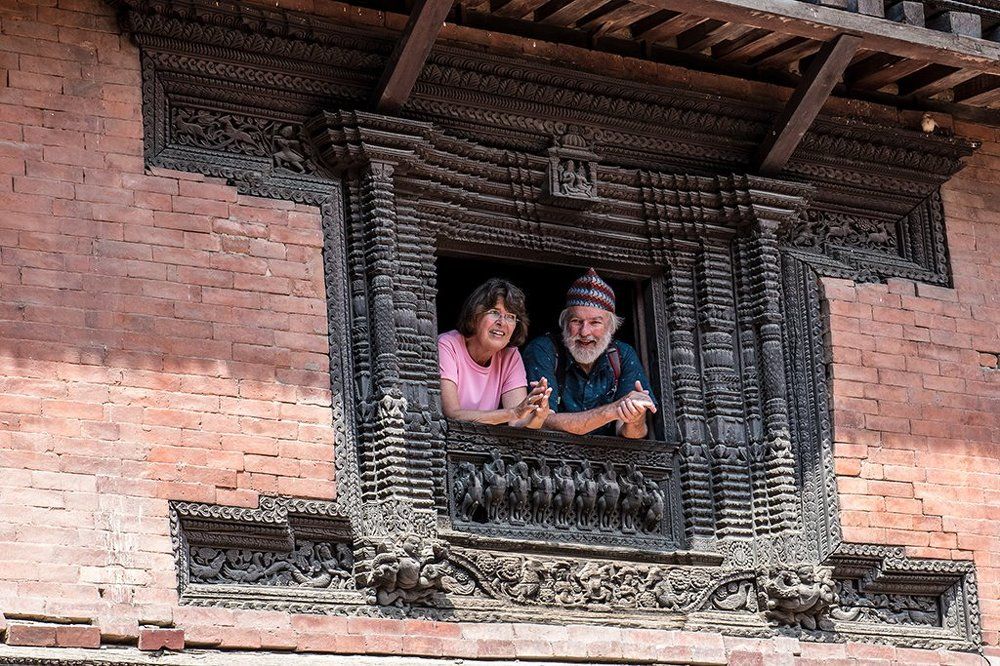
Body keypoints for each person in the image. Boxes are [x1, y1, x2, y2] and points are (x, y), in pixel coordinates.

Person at [523, 268, 656, 438]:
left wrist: (635, 417)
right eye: (577, 321)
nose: (585, 332)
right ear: (564, 324)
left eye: (595, 323)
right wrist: (612, 410)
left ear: (611, 327)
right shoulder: (543, 350)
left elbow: (632, 433)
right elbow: (541, 421)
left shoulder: (622, 355)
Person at [438, 279, 551, 427]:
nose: (502, 322)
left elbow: (518, 423)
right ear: (474, 317)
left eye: (510, 316)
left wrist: (538, 414)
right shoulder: (448, 345)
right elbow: (452, 413)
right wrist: (514, 412)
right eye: (494, 312)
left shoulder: (510, 356)